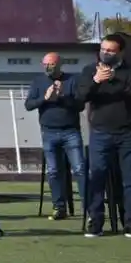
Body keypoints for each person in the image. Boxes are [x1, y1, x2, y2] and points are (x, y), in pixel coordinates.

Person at [77, 34, 131, 239]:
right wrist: (96, 81)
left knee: (130, 179)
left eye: (110, 50)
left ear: (120, 52)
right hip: (100, 132)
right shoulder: (89, 71)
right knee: (97, 176)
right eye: (103, 49)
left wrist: (113, 79)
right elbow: (81, 97)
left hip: (127, 132)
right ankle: (96, 222)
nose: (105, 53)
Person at [25, 52, 84, 221]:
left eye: (51, 64)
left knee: (79, 169)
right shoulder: (38, 82)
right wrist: (45, 98)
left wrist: (62, 97)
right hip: (49, 132)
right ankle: (59, 207)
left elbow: (80, 105)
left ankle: (88, 206)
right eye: (45, 64)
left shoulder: (73, 80)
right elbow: (29, 105)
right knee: (53, 171)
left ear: (59, 64)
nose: (47, 67)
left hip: (71, 131)